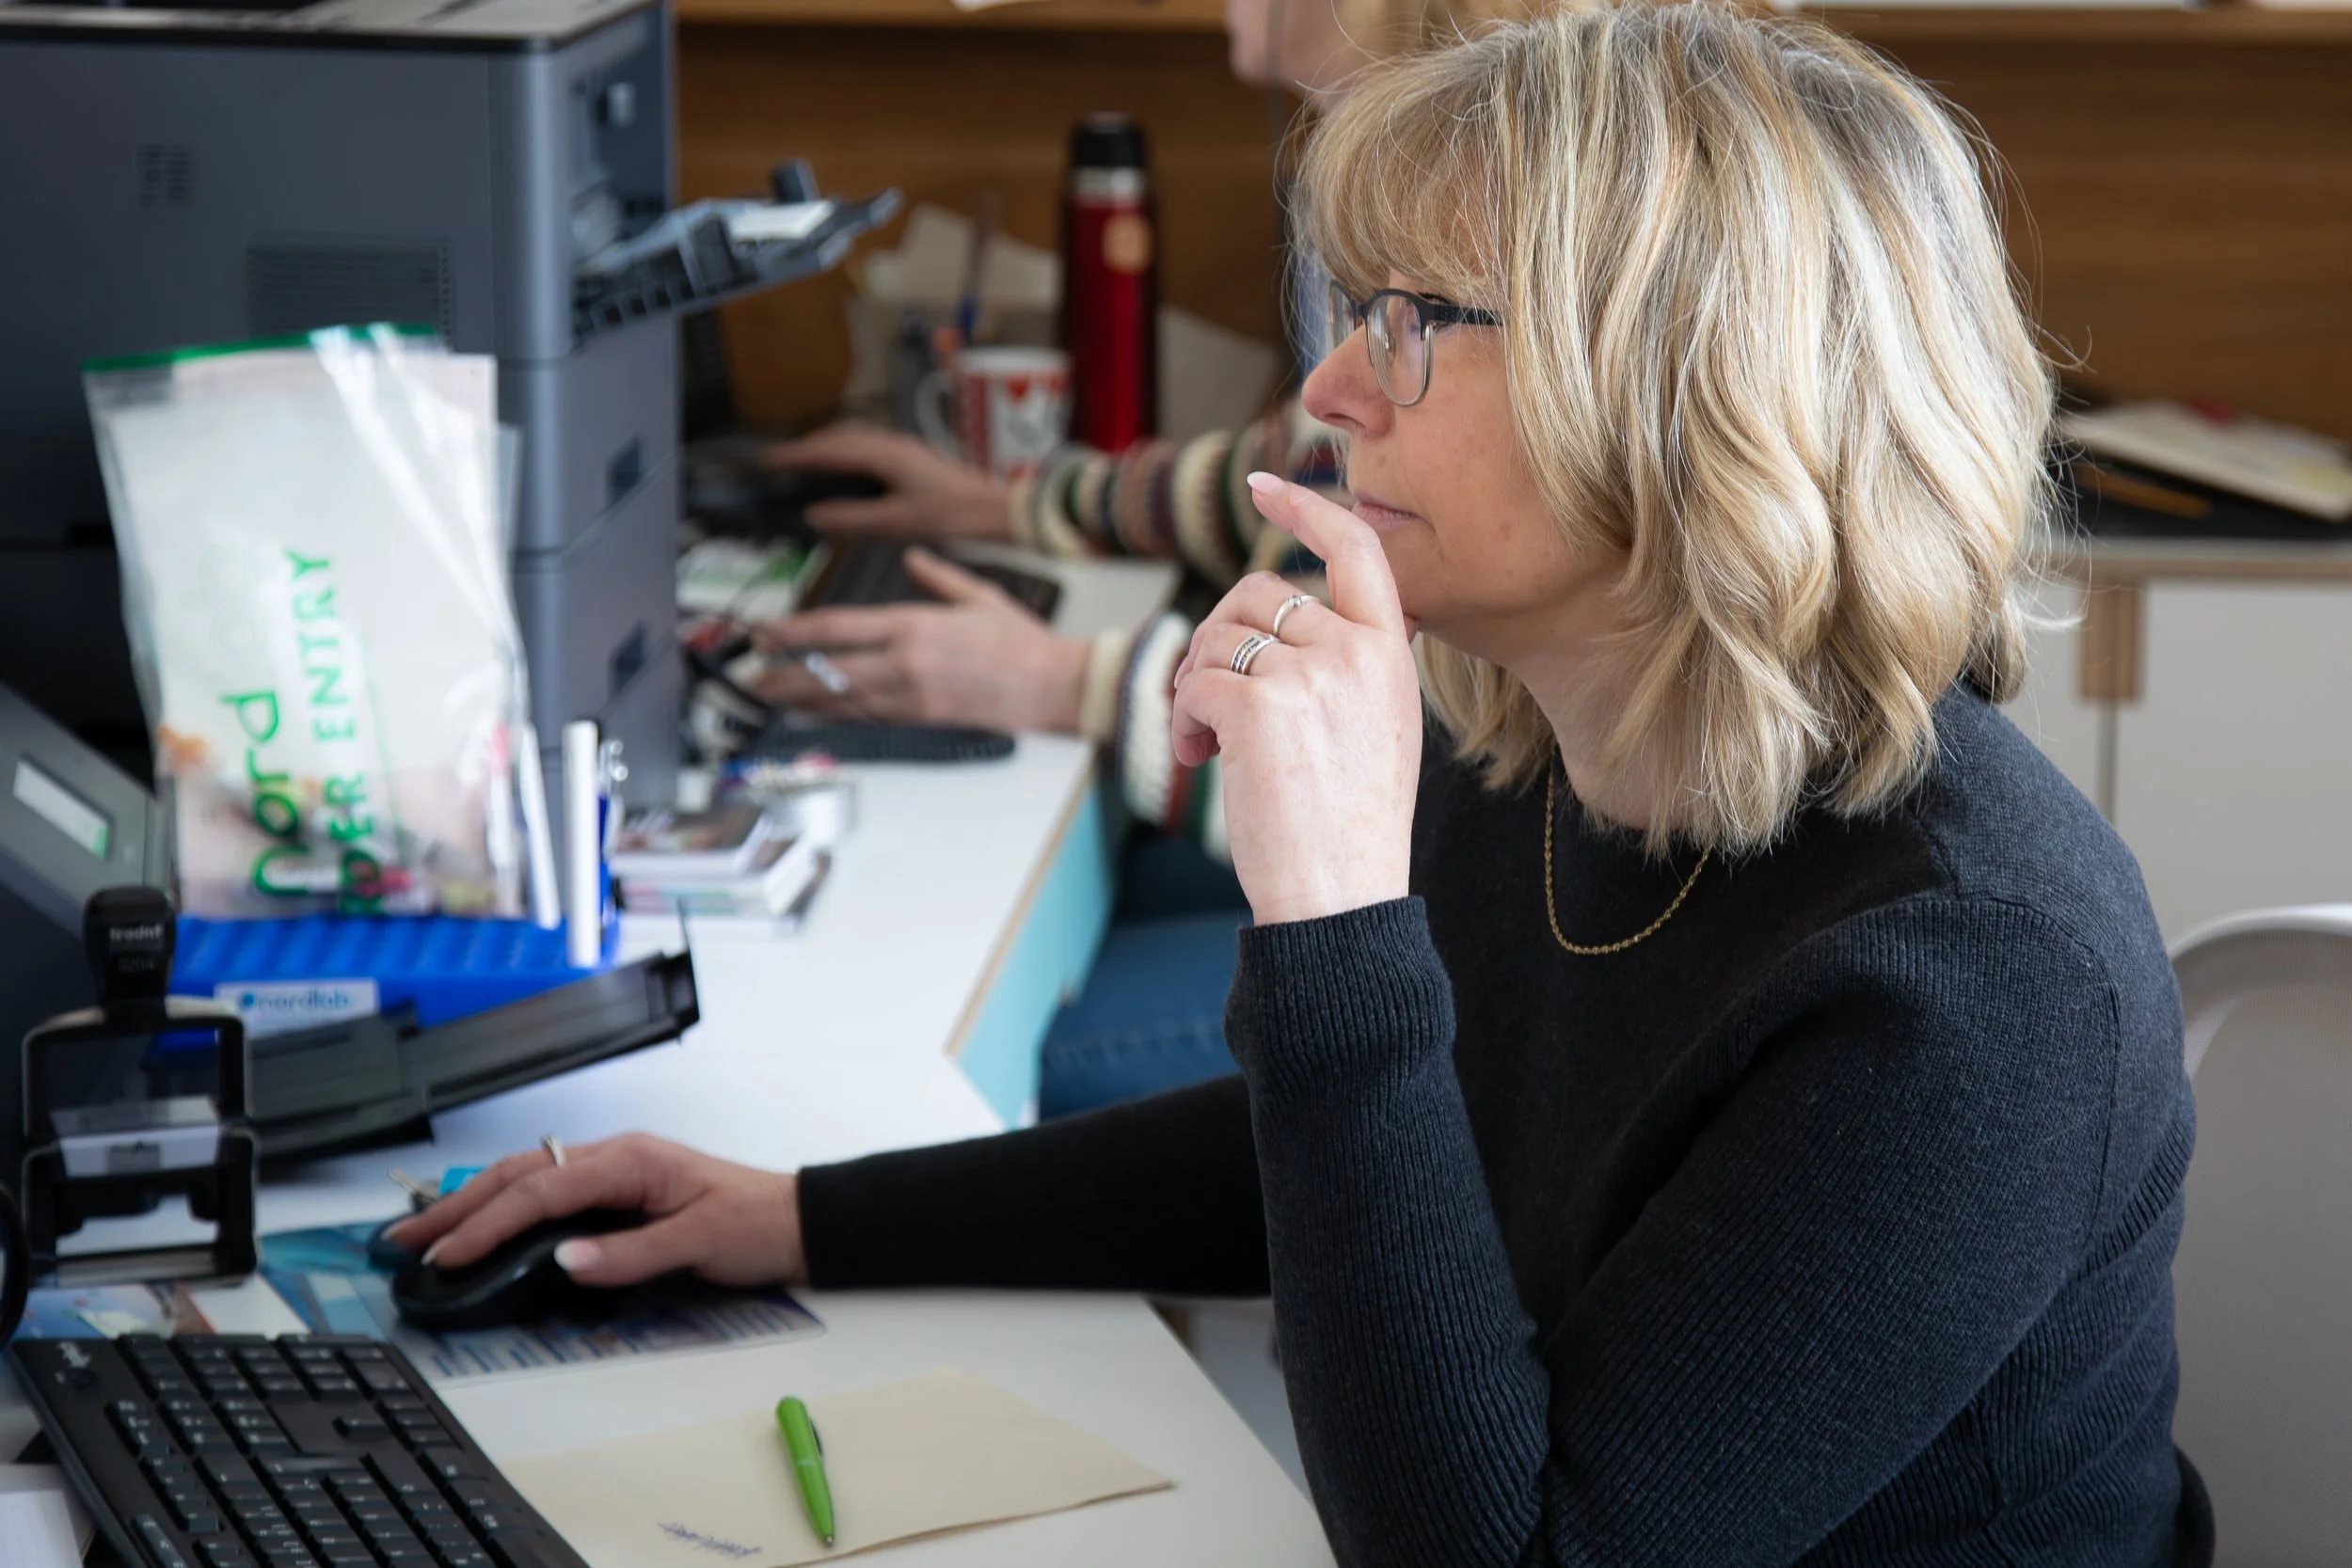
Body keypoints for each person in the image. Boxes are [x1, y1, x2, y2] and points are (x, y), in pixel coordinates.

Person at [395, 6, 2210, 1563]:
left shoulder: (1976, 981)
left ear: (1681, 385)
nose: (1337, 382)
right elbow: (1354, 1149)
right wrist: (799, 1216)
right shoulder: (1546, 744)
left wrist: (1337, 913)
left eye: (1417, 318)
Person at [751, 0, 1505, 1117]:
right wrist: (1019, 503)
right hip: (1429, 898)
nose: (1329, 387)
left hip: (1443, 930)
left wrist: (1060, 682)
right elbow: (1294, 465)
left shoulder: (1467, 235)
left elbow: (1355, 774)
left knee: (1013, 1065)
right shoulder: (1406, 220)